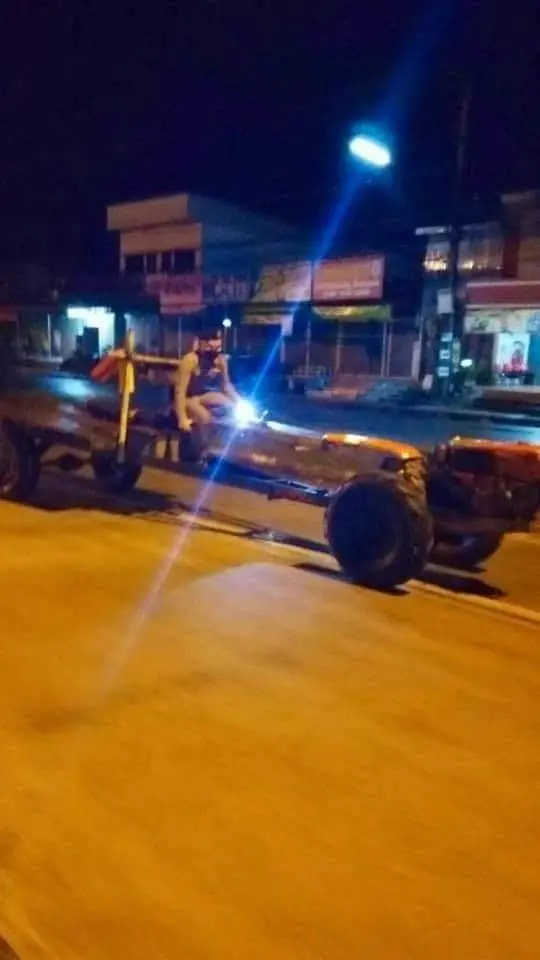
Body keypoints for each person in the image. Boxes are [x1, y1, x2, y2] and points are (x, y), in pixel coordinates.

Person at [173, 327, 239, 432]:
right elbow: (180, 391)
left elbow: (226, 385)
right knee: (205, 417)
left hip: (204, 396)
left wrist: (240, 403)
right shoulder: (190, 360)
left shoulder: (221, 360)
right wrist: (182, 418)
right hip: (188, 399)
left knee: (229, 407)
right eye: (212, 339)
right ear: (202, 342)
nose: (216, 343)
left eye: (218, 339)